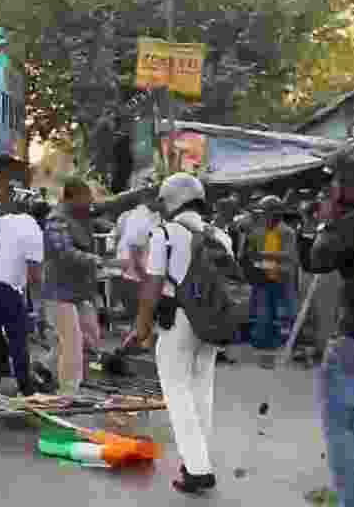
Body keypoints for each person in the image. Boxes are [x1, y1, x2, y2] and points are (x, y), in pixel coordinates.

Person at [128, 172, 232, 494]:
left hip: (178, 321)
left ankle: (197, 469)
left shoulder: (166, 234)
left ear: (172, 200)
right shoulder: (220, 236)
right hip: (212, 322)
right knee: (202, 390)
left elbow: (153, 286)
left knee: (177, 393)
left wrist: (141, 328)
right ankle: (197, 463)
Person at [298, 143, 354, 507]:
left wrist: (325, 218)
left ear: (346, 182)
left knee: (339, 426)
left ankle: (352, 502)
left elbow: (317, 260)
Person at [43, 177, 116, 395]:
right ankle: (68, 392)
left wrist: (144, 193)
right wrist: (96, 260)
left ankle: (45, 369)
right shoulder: (57, 220)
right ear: (72, 197)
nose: (91, 202)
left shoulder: (83, 213)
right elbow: (64, 252)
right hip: (59, 292)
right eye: (87, 197)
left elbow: (113, 204)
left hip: (81, 291)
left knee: (90, 338)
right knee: (72, 342)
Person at [0, 196, 44, 397]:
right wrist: (38, 307)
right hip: (7, 288)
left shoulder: (3, 220)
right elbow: (35, 275)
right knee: (17, 338)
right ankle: (26, 389)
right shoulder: (36, 232)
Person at [244, 195, 298, 365]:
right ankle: (265, 351)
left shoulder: (286, 232)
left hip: (281, 278)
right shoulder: (259, 231)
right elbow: (250, 253)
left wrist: (263, 256)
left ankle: (278, 350)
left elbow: (289, 255)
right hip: (263, 278)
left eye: (266, 212)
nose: (263, 216)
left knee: (282, 315)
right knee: (263, 316)